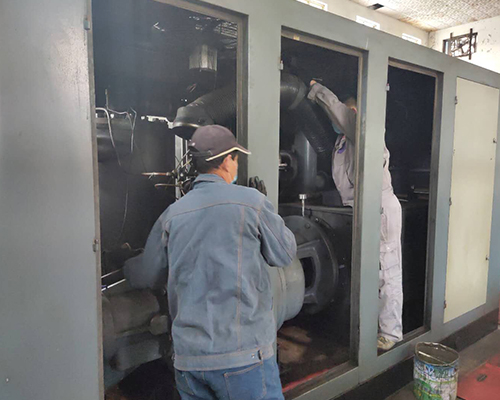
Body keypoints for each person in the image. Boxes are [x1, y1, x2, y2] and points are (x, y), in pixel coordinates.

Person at [126, 124, 297, 399]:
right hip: (243, 358)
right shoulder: (252, 203)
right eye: (236, 159)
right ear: (228, 160)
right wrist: (267, 208)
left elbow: (145, 275)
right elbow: (284, 253)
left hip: (189, 361)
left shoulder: (172, 215)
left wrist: (124, 263)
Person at [308, 81, 403, 351]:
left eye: (347, 112)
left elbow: (341, 113)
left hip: (379, 208)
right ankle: (369, 326)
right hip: (361, 208)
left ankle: (391, 333)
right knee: (368, 270)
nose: (339, 119)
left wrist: (317, 89)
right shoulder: (343, 141)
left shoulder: (364, 129)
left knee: (386, 270)